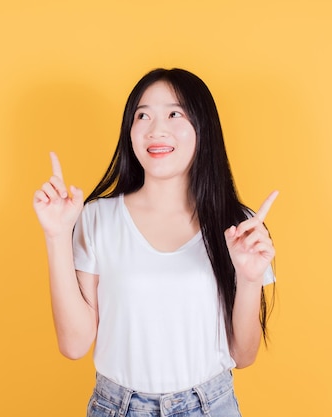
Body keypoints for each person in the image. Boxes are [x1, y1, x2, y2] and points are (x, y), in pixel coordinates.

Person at [33, 68, 277, 417]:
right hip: (116, 407)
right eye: (142, 115)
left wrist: (251, 278)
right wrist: (56, 236)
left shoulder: (237, 226)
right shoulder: (97, 217)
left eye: (174, 113)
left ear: (202, 128)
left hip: (210, 406)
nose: (155, 129)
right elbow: (73, 345)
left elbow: (244, 356)